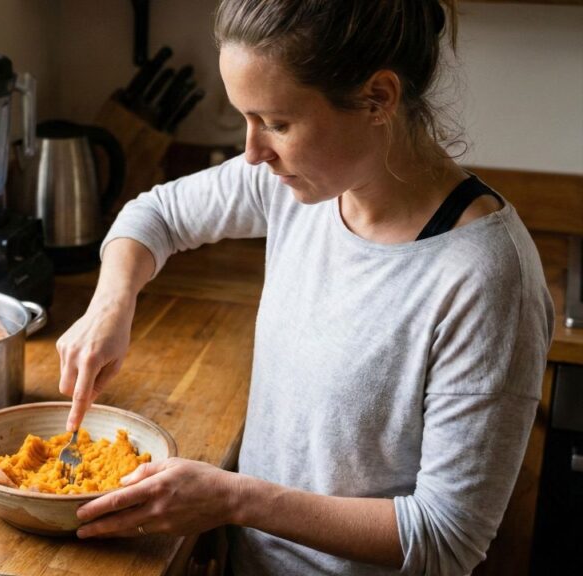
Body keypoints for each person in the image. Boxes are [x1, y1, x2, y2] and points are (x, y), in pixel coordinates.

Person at [55, 1, 554, 574]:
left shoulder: (487, 277)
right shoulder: (303, 184)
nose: (253, 151)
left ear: (378, 99)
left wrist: (234, 498)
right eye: (246, 118)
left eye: (277, 123)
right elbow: (156, 215)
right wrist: (110, 304)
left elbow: (445, 538)